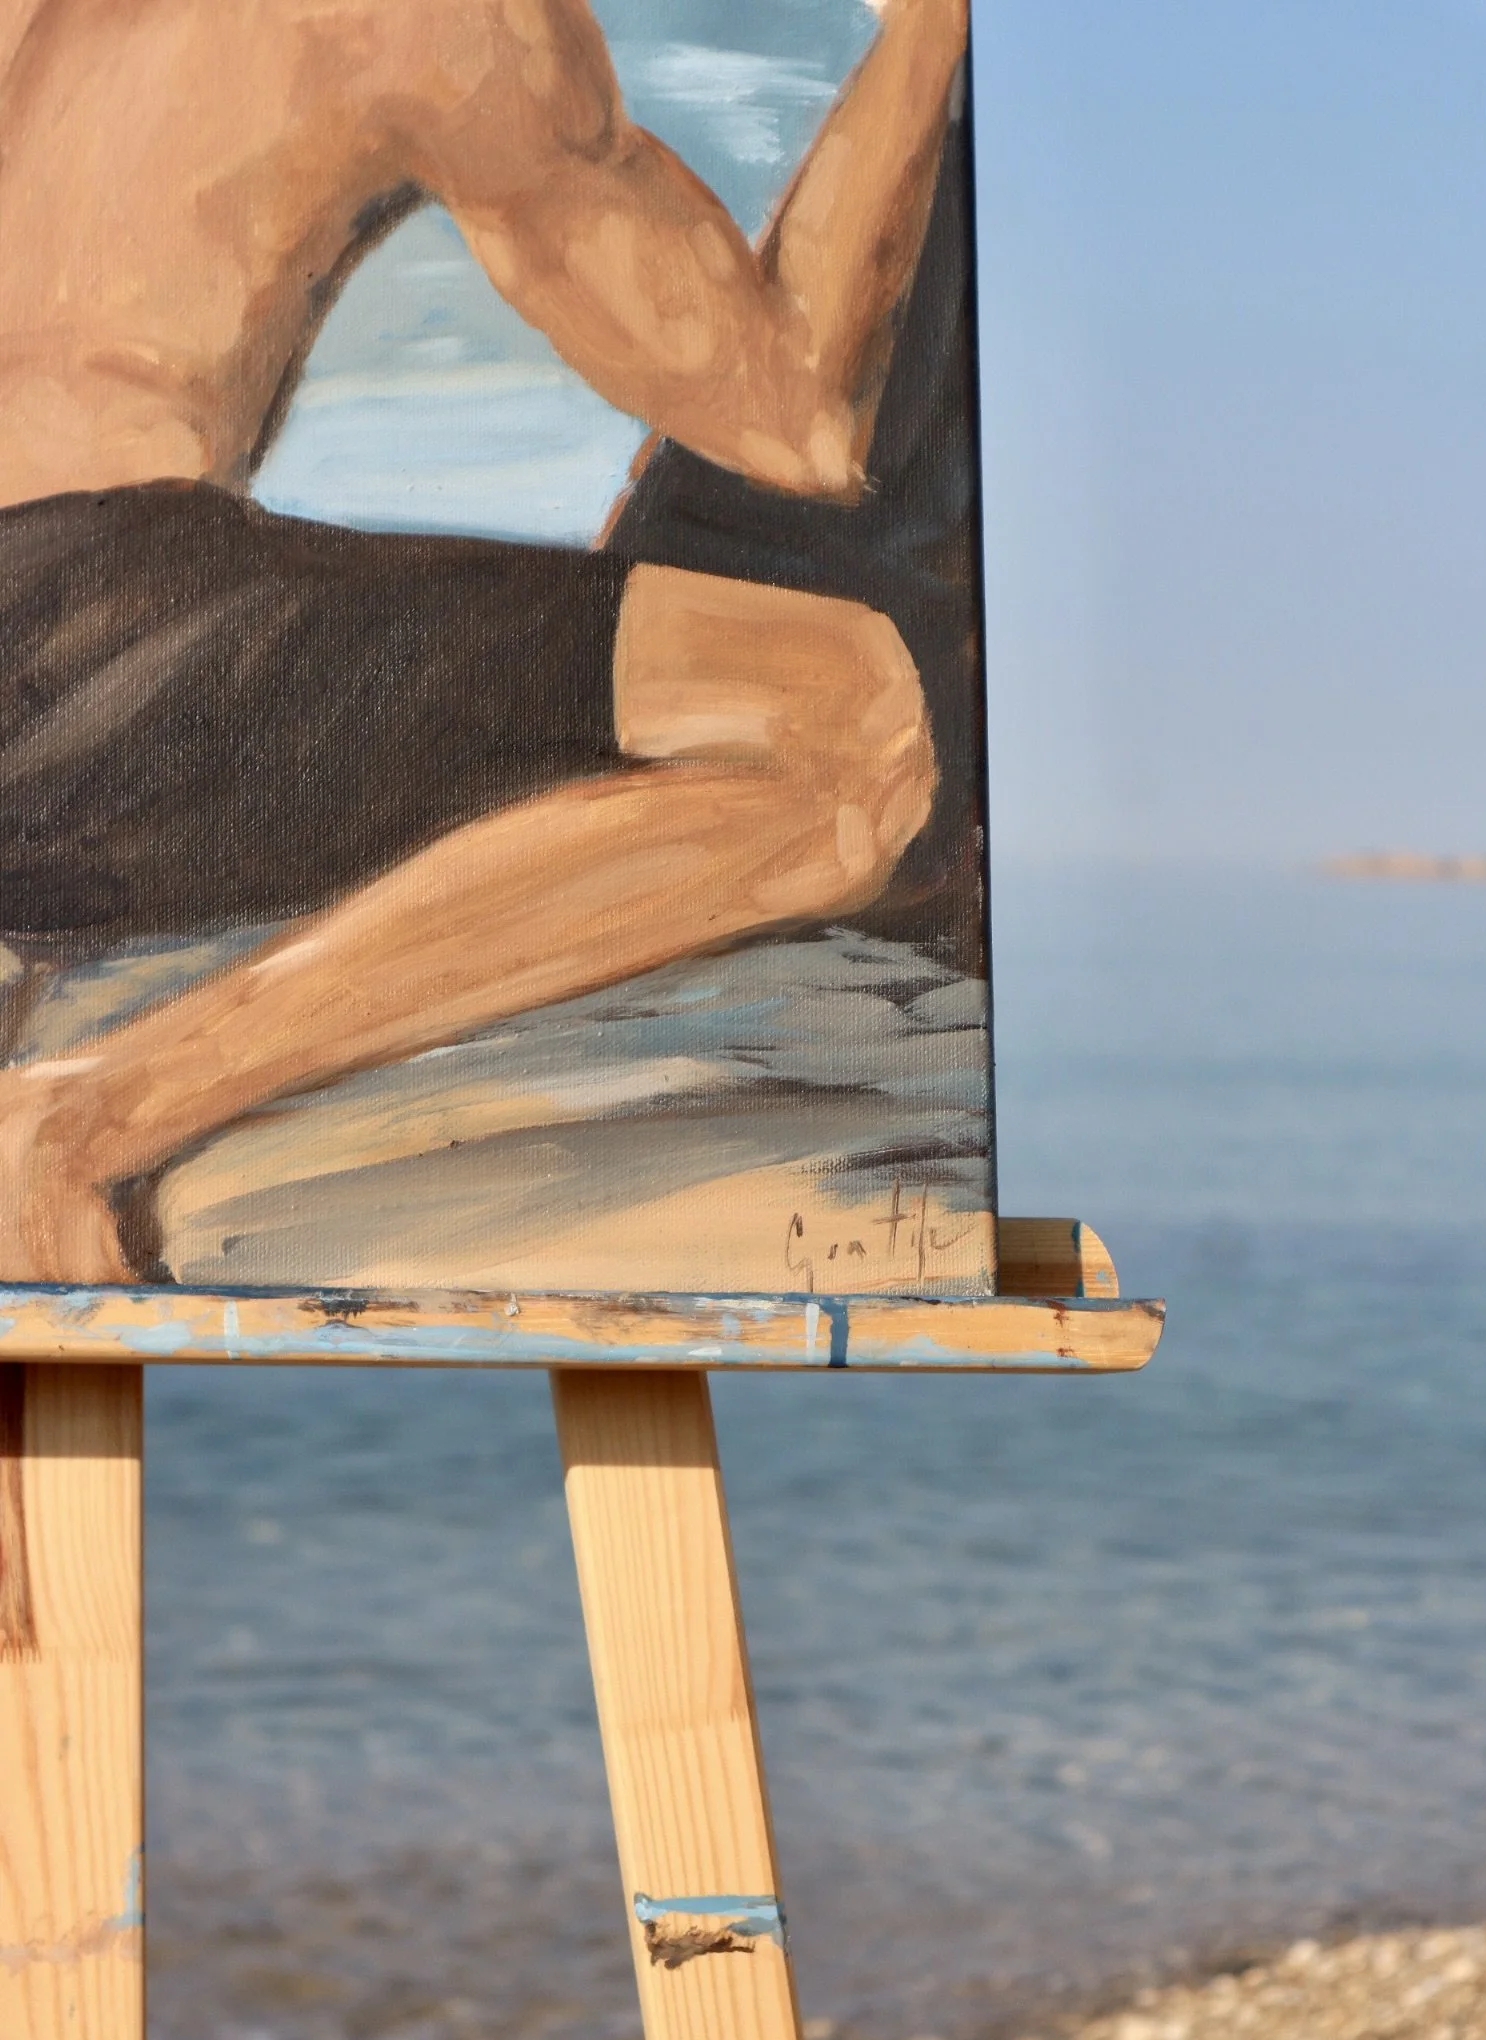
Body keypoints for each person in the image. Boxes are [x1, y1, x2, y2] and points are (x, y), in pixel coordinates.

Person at [0, 0, 968, 1282]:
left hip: (56, 652)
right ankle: (86, 1121)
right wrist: (926, 32)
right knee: (850, 718)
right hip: (75, 623)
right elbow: (795, 421)